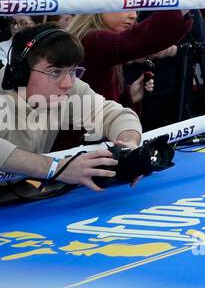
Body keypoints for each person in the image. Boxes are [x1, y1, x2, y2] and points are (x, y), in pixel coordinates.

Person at [0, 25, 144, 195]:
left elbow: (112, 114)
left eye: (73, 71)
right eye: (55, 72)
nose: (67, 83)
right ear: (20, 73)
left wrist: (128, 143)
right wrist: (57, 168)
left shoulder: (69, 88)